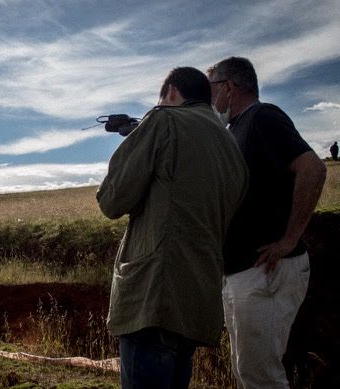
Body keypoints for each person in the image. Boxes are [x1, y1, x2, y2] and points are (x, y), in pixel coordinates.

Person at [96, 67, 248, 388]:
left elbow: (112, 199)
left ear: (173, 93)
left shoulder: (162, 120)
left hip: (153, 302)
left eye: (162, 100)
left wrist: (141, 135)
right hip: (196, 306)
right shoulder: (232, 148)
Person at [208, 57, 327, 388]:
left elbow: (313, 169)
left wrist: (289, 239)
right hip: (243, 273)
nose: (210, 97)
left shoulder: (263, 117)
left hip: (265, 271)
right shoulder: (236, 129)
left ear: (229, 88)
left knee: (260, 377)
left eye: (212, 88)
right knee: (247, 371)